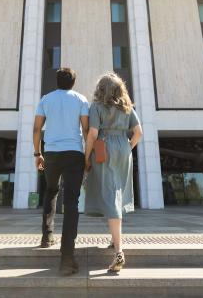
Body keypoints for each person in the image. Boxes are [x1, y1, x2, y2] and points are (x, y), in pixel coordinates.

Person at [84, 72, 143, 273]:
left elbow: (92, 134)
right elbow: (139, 132)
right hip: (124, 149)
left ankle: (119, 251)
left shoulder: (97, 107)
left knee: (110, 194)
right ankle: (114, 239)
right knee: (117, 192)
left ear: (101, 89)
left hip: (103, 148)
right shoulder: (127, 107)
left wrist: (86, 158)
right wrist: (127, 146)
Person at [33, 67, 89, 276]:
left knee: (51, 191)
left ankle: (47, 236)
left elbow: (37, 128)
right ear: (73, 82)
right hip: (74, 153)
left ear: (56, 81)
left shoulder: (46, 99)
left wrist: (37, 154)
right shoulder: (81, 99)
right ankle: (67, 258)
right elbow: (85, 129)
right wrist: (88, 155)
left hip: (52, 153)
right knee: (71, 202)